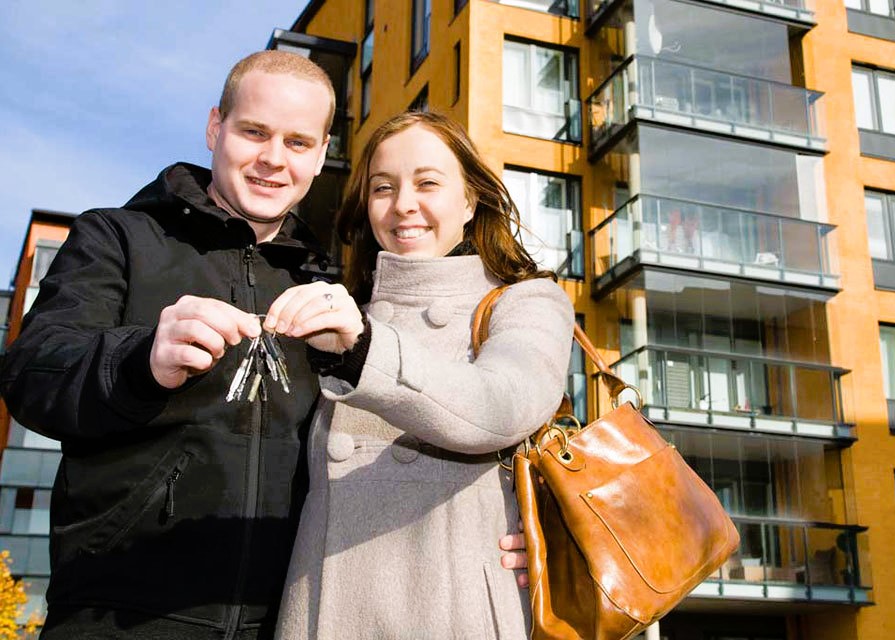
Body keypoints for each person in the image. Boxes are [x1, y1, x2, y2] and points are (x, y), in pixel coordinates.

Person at [0, 50, 337, 639]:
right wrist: (141, 360)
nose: (273, 160)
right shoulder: (116, 236)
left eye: (298, 142)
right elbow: (32, 374)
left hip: (283, 622)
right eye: (254, 131)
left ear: (322, 154)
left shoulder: (324, 284)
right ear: (215, 127)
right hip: (119, 615)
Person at [271, 111, 575, 639]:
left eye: (427, 183)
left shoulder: (526, 301)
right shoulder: (340, 314)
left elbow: (500, 407)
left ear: (469, 200)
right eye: (383, 187)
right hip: (322, 606)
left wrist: (363, 352)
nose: (403, 205)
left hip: (454, 611)